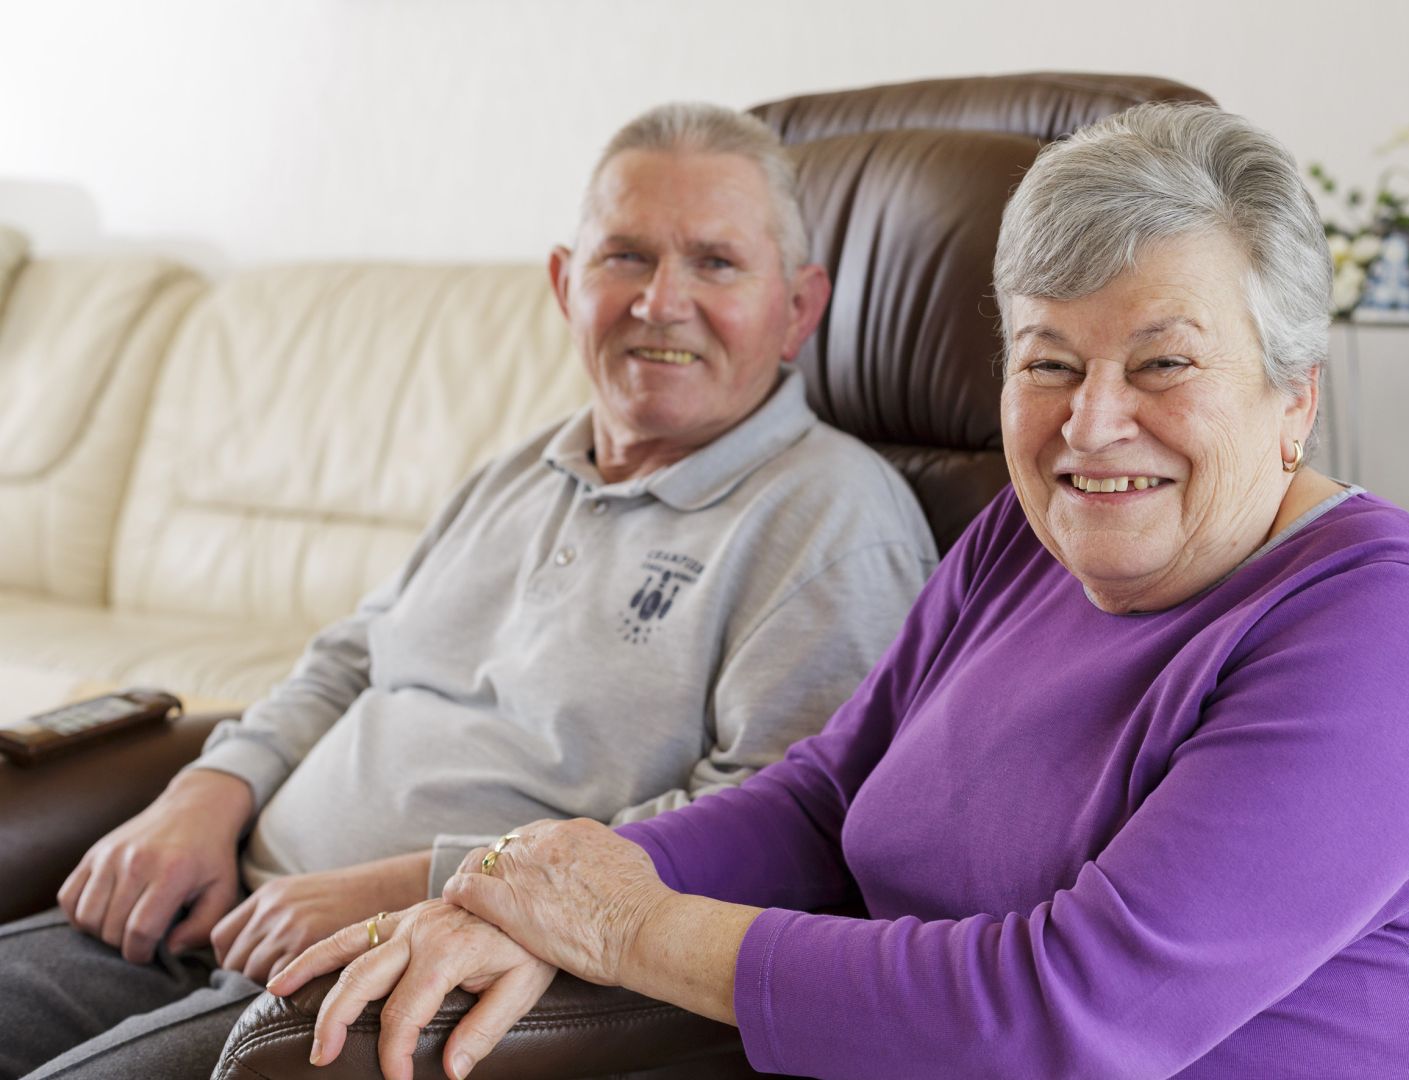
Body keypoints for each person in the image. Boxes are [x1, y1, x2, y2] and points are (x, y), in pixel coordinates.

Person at [277, 103, 1409, 1080]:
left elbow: (1069, 1015)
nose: (1093, 426)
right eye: (1049, 362)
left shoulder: (1390, 623)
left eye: (1164, 363)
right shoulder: (1015, 543)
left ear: (1295, 396)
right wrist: (544, 889)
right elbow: (825, 802)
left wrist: (627, 931)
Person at [0, 102, 938, 1080]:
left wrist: (432, 884)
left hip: (389, 975)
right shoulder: (525, 466)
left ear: (800, 306)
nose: (662, 301)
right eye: (625, 257)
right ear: (564, 283)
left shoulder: (832, 523)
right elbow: (354, 654)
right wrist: (209, 790)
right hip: (217, 911)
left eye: (716, 263)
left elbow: (772, 832)